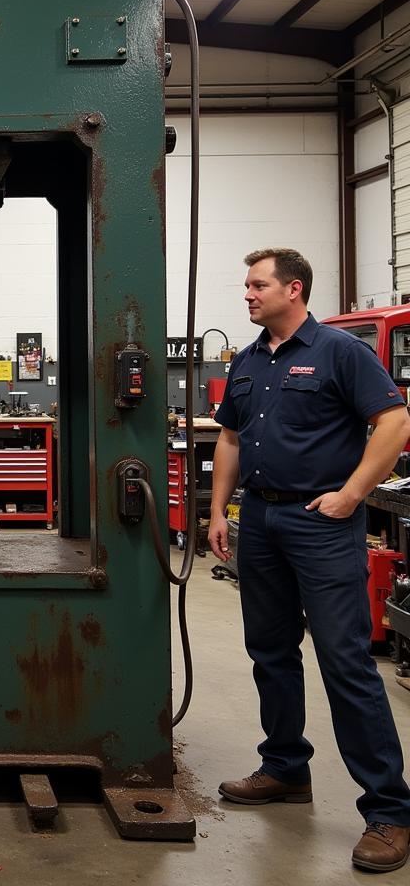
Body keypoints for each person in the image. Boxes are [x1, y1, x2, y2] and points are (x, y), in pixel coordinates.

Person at [209, 247, 410, 873]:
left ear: (293, 289)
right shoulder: (247, 361)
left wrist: (352, 495)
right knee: (269, 651)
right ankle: (286, 768)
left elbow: (395, 421)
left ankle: (390, 811)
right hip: (261, 521)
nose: (247, 295)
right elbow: (232, 436)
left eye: (258, 285)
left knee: (344, 660)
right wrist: (218, 512)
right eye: (246, 285)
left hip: (321, 524)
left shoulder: (340, 352)